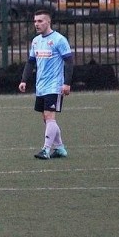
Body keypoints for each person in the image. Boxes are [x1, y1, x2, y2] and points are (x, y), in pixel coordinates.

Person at [18, 9, 73, 160]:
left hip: (55, 86)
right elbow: (31, 62)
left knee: (49, 117)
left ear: (48, 22)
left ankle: (46, 150)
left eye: (40, 21)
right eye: (35, 21)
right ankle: (60, 148)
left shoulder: (59, 40)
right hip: (41, 86)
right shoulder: (36, 41)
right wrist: (24, 80)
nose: (37, 24)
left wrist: (67, 83)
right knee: (46, 118)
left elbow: (69, 62)